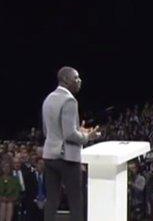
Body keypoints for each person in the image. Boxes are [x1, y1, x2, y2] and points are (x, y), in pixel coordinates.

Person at [42, 67, 100, 221]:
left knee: (52, 200)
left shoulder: (48, 98)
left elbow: (47, 131)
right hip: (66, 158)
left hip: (49, 156)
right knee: (76, 201)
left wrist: (77, 130)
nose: (79, 80)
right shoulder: (69, 100)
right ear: (66, 80)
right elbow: (69, 135)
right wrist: (88, 136)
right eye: (76, 78)